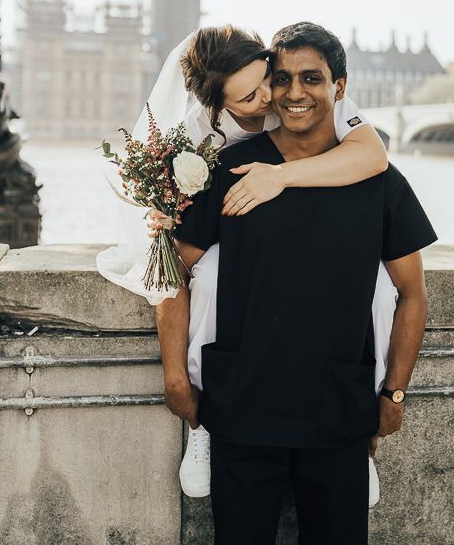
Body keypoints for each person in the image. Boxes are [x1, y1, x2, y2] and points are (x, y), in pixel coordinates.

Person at [158, 21, 437, 543]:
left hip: (339, 411)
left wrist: (394, 394)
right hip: (242, 408)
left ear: (340, 86)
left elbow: (413, 296)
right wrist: (176, 375)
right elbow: (173, 270)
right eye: (281, 78)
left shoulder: (381, 182)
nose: (293, 93)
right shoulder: (227, 168)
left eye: (311, 78)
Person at [99, 25, 394, 505]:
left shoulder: (298, 85)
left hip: (297, 219)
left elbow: (372, 155)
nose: (269, 100)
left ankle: (358, 427)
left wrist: (278, 178)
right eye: (248, 97)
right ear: (217, 105)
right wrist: (167, 212)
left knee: (379, 288)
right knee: (213, 279)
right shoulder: (191, 133)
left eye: (266, 82)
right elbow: (178, 243)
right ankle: (206, 424)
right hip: (224, 231)